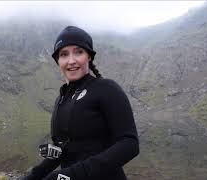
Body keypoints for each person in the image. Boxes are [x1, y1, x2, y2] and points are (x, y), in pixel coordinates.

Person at [23, 26, 139, 180]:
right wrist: (34, 175)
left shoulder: (106, 88)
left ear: (89, 56)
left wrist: (70, 175)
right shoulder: (61, 99)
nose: (71, 60)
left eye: (78, 52)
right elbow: (61, 150)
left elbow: (129, 144)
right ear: (58, 61)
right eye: (64, 54)